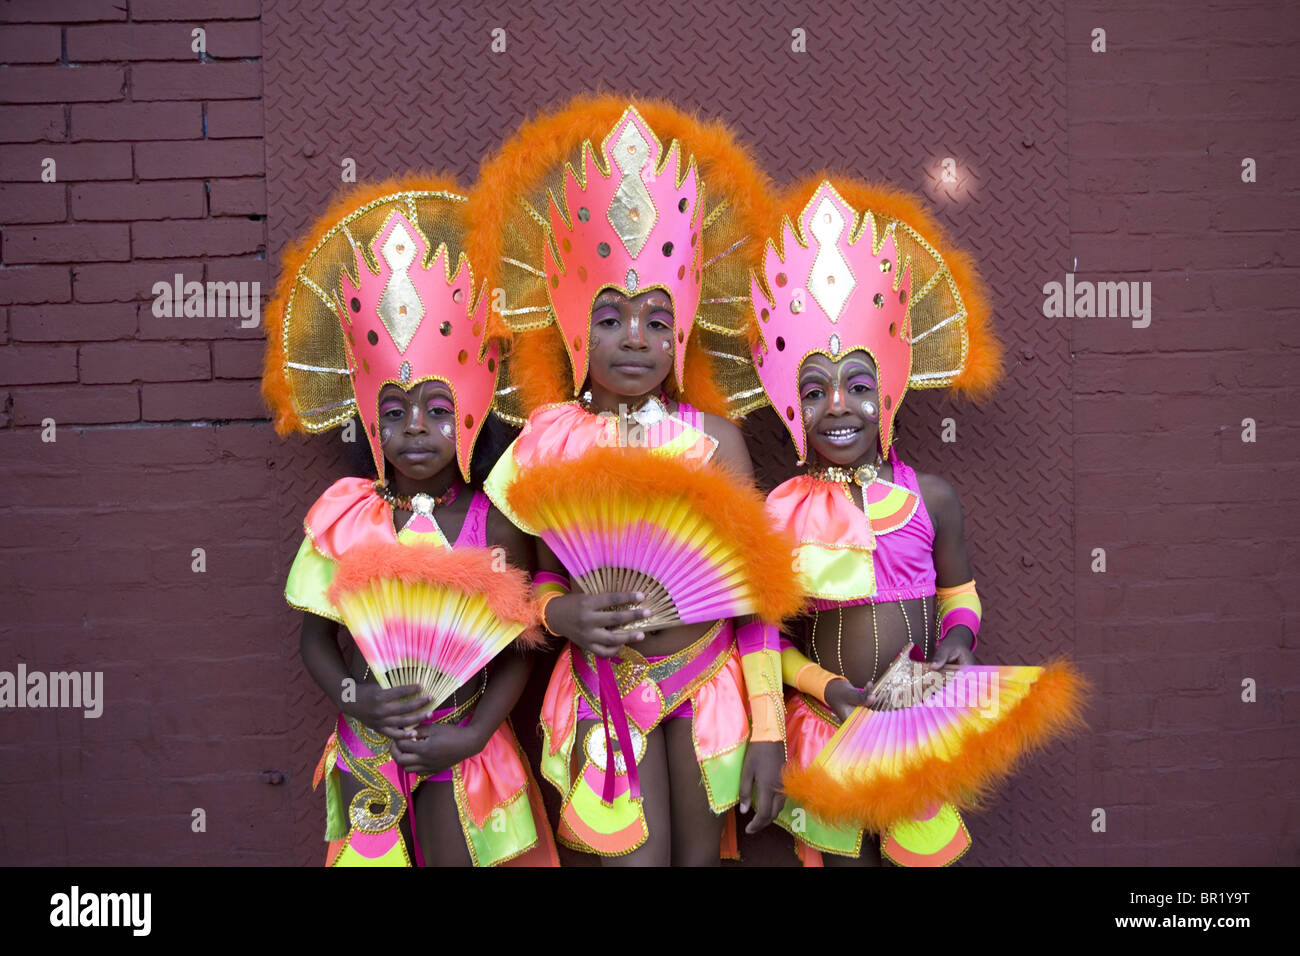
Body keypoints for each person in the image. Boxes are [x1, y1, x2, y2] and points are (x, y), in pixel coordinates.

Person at [466, 95, 801, 864]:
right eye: (611, 316)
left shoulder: (714, 440)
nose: (636, 339)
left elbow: (754, 593)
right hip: (601, 686)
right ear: (577, 321)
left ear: (680, 328)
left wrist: (769, 734)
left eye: (657, 319)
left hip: (709, 685)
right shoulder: (549, 441)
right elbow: (516, 581)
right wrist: (561, 617)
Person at [262, 174, 558, 867]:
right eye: (393, 413)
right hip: (371, 742)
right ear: (370, 422)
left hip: (463, 742)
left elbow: (516, 647)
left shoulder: (498, 520)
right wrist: (355, 697)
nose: (414, 429)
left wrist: (479, 731)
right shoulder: (350, 516)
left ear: (471, 414)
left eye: (436, 408)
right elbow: (317, 640)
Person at [748, 176, 1003, 866]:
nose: (838, 406)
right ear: (790, 405)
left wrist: (960, 638)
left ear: (887, 392)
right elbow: (761, 639)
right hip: (826, 725)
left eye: (858, 387)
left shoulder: (934, 498)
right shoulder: (778, 511)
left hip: (917, 718)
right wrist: (825, 688)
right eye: (814, 389)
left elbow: (959, 591)